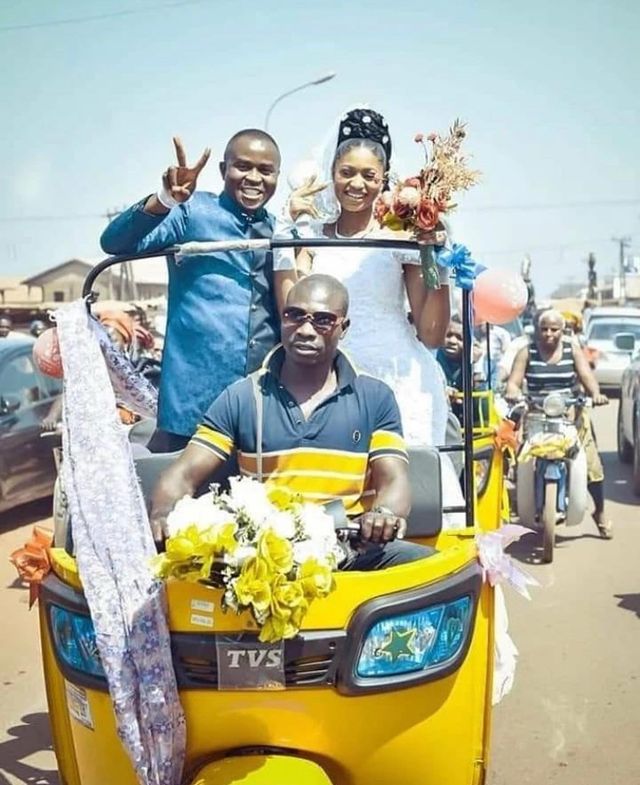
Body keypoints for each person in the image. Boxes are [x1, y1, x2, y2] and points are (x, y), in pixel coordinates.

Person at [150, 274, 433, 569]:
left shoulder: (375, 396)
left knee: (434, 573)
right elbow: (182, 474)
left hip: (351, 553)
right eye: (295, 315)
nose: (306, 330)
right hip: (263, 558)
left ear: (343, 328)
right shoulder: (243, 396)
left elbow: (394, 479)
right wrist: (163, 512)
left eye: (323, 320)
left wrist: (384, 513)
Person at [273, 106, 464, 525]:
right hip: (324, 377)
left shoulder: (399, 241)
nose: (356, 184)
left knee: (409, 494)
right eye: (346, 172)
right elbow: (290, 306)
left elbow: (431, 332)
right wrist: (288, 229)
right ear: (332, 173)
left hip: (398, 380)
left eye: (368, 176)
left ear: (383, 181)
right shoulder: (309, 238)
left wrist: (437, 258)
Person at [100, 130, 282, 452]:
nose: (254, 178)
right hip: (192, 407)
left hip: (261, 405)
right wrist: (165, 199)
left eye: (265, 170)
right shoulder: (190, 211)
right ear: (223, 169)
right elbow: (114, 243)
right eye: (243, 167)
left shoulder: (278, 229)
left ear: (276, 176)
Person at [506, 308, 613, 538]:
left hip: (569, 414)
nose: (548, 334)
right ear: (536, 331)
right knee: (517, 460)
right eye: (544, 329)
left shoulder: (572, 350)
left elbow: (587, 377)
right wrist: (513, 392)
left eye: (554, 329)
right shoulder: (527, 352)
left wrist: (596, 394)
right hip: (536, 415)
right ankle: (520, 503)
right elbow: (514, 382)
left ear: (562, 331)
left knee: (591, 463)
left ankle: (600, 512)